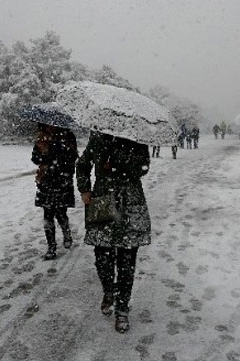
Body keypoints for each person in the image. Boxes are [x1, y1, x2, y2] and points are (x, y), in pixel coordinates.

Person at [76, 132, 151, 333]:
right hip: (103, 201)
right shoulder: (98, 137)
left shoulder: (137, 138)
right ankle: (109, 290)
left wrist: (117, 159)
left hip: (130, 204)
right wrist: (84, 189)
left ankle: (123, 309)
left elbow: (143, 168)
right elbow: (82, 164)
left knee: (127, 259)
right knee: (102, 256)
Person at [31, 123, 78, 260]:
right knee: (47, 214)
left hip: (62, 180)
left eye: (52, 125)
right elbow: (35, 158)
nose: (50, 127)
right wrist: (45, 157)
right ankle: (51, 247)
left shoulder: (68, 137)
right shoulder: (41, 138)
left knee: (61, 212)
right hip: (45, 181)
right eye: (47, 125)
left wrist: (56, 153)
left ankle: (66, 233)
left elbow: (72, 158)